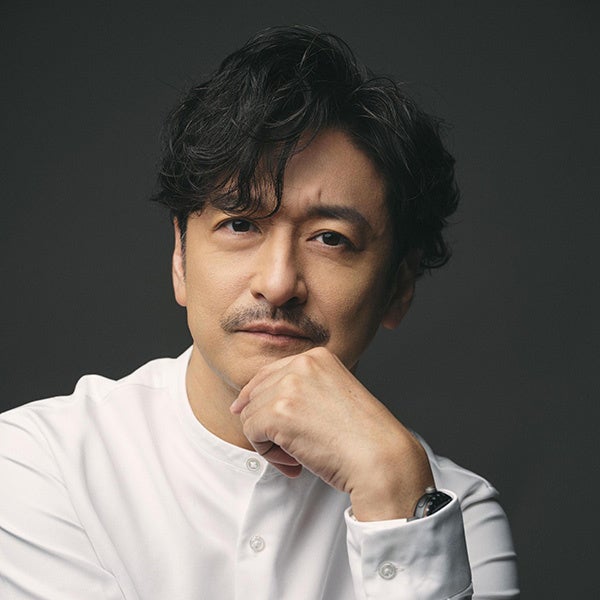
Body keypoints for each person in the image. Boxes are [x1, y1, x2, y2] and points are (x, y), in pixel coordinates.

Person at [0, 26, 518, 599]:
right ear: (180, 258)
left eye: (330, 238)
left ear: (398, 287)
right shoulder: (35, 462)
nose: (277, 284)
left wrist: (395, 494)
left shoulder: (453, 516)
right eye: (241, 224)